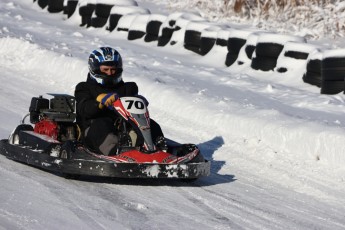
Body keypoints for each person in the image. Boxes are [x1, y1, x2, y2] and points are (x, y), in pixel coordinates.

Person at [74, 47, 164, 155]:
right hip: (93, 131)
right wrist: (99, 103)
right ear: (95, 69)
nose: (110, 73)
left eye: (113, 70)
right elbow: (84, 109)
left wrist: (139, 100)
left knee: (150, 124)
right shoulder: (84, 88)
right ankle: (115, 153)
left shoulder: (128, 88)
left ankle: (158, 149)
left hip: (122, 128)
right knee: (102, 124)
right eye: (105, 70)